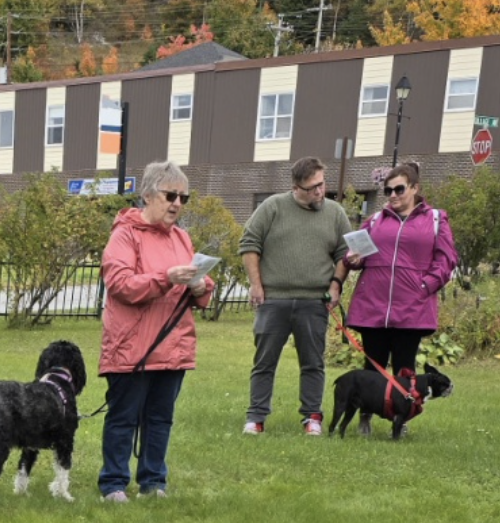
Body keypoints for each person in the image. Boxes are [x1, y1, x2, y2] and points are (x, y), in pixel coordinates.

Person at [97, 161, 214, 503]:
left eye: (183, 197)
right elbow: (120, 284)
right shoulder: (124, 234)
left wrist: (199, 286)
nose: (177, 203)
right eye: (170, 195)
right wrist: (166, 278)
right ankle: (114, 484)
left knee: (160, 419)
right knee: (123, 418)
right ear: (148, 195)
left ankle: (153, 482)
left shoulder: (182, 237)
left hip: (173, 345)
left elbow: (200, 291)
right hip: (132, 345)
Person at [239, 156, 351, 436]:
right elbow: (249, 243)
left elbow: (345, 252)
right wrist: (256, 284)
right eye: (312, 187)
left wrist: (336, 285)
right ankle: (256, 417)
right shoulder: (273, 207)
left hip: (314, 301)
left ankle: (312, 417)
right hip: (273, 300)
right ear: (296, 187)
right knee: (264, 362)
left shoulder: (335, 213)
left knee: (313, 362)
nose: (319, 191)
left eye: (321, 184)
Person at [343, 162, 458, 435]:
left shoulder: (436, 219)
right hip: (374, 306)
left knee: (406, 370)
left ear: (415, 188)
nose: (392, 195)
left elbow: (446, 259)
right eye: (388, 190)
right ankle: (365, 417)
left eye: (399, 189)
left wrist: (424, 285)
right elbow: (356, 257)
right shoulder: (375, 221)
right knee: (373, 366)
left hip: (412, 309)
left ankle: (402, 419)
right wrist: (353, 260)